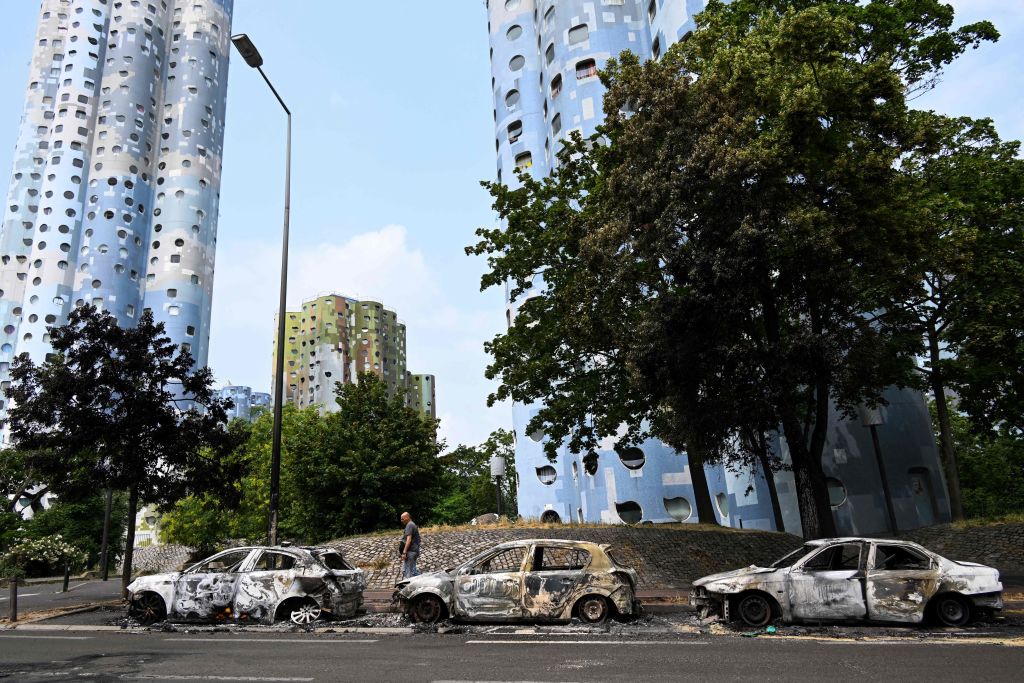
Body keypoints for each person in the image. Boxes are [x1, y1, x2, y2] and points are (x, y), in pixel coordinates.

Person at [400, 511, 421, 578]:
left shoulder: (410, 525)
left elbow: (408, 540)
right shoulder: (412, 524)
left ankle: (424, 580)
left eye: (403, 519)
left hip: (411, 552)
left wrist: (404, 552)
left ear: (407, 517)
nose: (401, 520)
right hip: (413, 551)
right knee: (409, 571)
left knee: (410, 573)